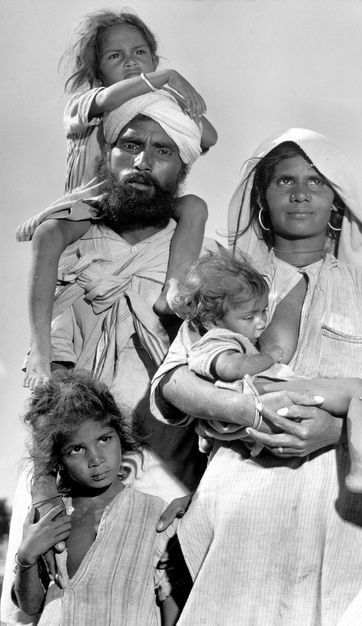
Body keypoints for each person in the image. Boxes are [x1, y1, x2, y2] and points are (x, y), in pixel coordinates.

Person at [151, 128, 362, 625]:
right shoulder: (224, 284)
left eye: (316, 181)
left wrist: (342, 428)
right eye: (284, 180)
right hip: (243, 507)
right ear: (262, 198)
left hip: (349, 515)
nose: (300, 192)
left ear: (337, 203)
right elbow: (175, 380)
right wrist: (248, 409)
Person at [1, 94, 208, 626]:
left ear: (181, 168)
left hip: (170, 469)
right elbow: (48, 394)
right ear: (107, 156)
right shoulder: (73, 250)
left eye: (162, 150)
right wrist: (48, 498)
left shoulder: (197, 256)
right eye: (130, 145)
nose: (143, 161)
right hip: (70, 483)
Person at [17, 9, 218, 390]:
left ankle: (172, 289)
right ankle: (41, 345)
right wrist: (165, 78)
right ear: (97, 71)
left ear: (152, 57)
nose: (130, 62)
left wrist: (172, 97)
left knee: (195, 207)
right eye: (115, 56)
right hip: (91, 206)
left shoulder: (155, 106)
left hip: (144, 197)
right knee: (48, 235)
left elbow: (206, 137)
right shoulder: (86, 102)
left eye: (140, 53)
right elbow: (110, 98)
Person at [163, 246, 362, 503]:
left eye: (264, 311)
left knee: (360, 393)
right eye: (250, 316)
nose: (261, 322)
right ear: (211, 320)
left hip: (264, 394)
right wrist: (269, 356)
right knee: (359, 390)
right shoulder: (215, 338)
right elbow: (230, 368)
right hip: (259, 392)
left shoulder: (225, 327)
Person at [13, 370, 190, 626]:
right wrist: (26, 558)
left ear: (121, 437)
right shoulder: (50, 519)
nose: (96, 460)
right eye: (77, 449)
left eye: (104, 439)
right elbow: (30, 605)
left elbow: (170, 601)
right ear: (58, 460)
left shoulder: (156, 515)